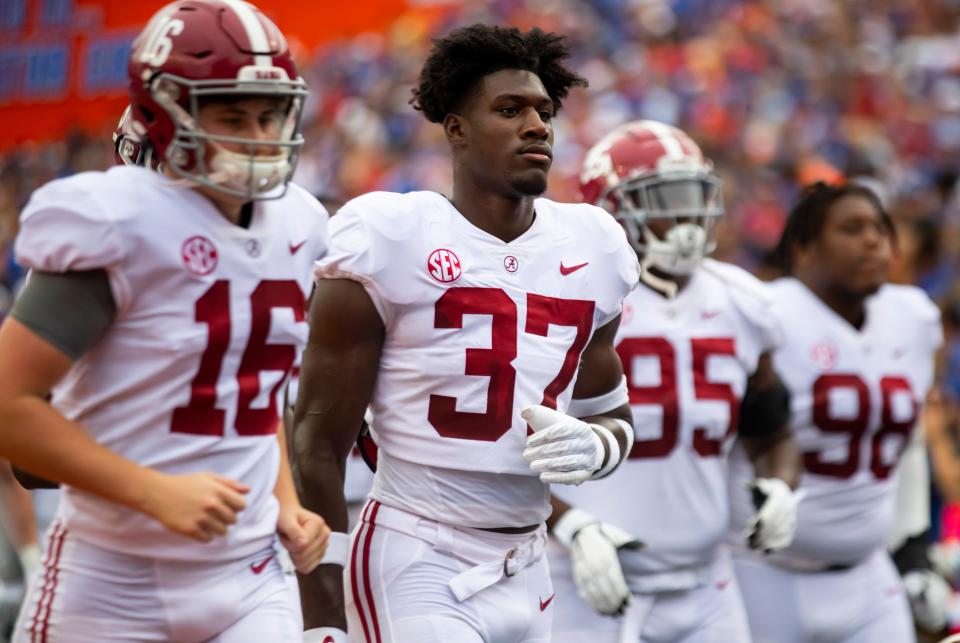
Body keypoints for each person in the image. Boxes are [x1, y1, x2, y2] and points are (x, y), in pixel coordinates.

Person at [292, 23, 640, 643]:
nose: (536, 126)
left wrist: (600, 447)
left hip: (531, 565)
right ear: (456, 128)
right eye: (509, 110)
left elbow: (612, 415)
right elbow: (317, 443)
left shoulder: (596, 245)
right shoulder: (390, 234)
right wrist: (321, 611)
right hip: (417, 554)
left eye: (543, 111)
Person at [0, 1, 332, 640]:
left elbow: (248, 396)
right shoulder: (116, 220)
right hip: (113, 582)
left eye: (269, 115)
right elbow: (8, 404)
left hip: (249, 576)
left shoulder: (299, 222)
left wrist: (285, 505)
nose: (261, 138)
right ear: (165, 114)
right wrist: (153, 490)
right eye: (233, 117)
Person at [544, 120, 801, 642]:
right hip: (585, 575)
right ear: (610, 211)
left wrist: (781, 486)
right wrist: (569, 525)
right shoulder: (565, 295)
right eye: (661, 200)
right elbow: (508, 441)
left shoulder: (744, 302)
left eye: (690, 197)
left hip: (707, 584)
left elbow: (772, 430)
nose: (684, 218)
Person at [727, 182, 942, 643]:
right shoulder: (765, 314)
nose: (873, 240)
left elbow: (907, 448)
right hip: (761, 574)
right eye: (851, 228)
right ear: (804, 249)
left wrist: (913, 550)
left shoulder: (913, 317)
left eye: (881, 229)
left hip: (869, 577)